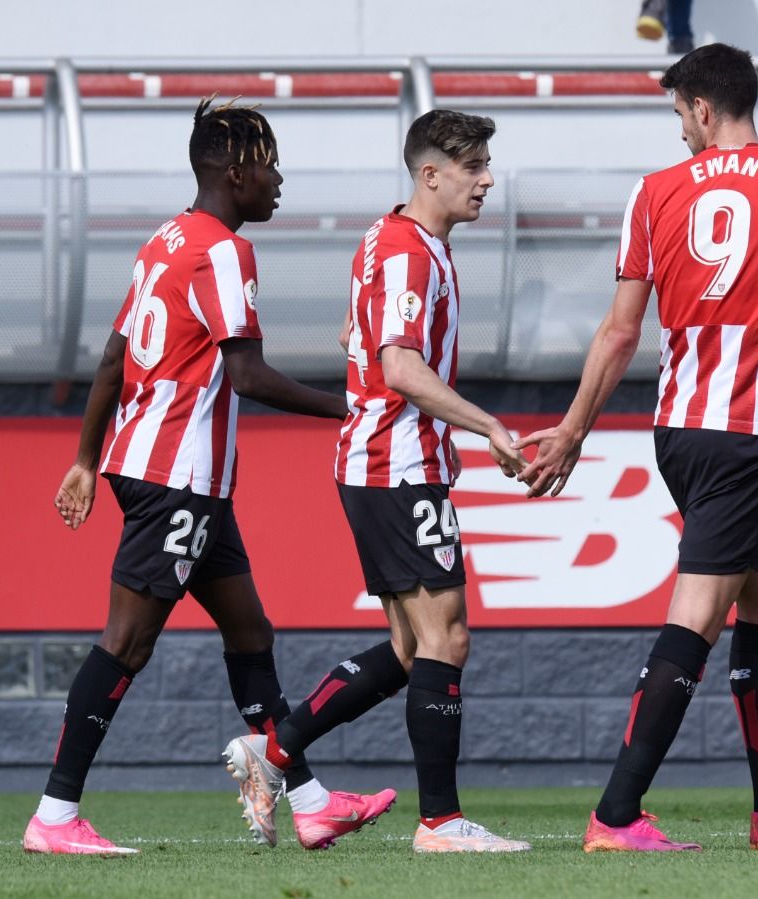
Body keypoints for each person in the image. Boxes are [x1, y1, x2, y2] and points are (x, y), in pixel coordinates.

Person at [515, 42, 758, 853]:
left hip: (683, 426)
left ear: (704, 107)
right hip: (746, 431)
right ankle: (616, 814)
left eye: (679, 112)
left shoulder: (654, 192)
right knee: (700, 614)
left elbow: (619, 330)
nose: (679, 130)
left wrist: (574, 427)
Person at [24, 98, 389, 856]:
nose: (280, 178)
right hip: (177, 477)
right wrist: (351, 408)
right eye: (271, 163)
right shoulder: (223, 250)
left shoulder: (164, 240)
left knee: (250, 631)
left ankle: (313, 801)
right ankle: (55, 815)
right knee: (125, 642)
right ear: (237, 169)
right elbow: (247, 374)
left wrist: (87, 459)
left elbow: (110, 359)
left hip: (164, 471)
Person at [222, 109, 532, 855]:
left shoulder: (390, 239)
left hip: (379, 459)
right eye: (474, 166)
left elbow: (351, 336)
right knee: (446, 636)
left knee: (408, 646)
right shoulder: (409, 252)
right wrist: (488, 424)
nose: (487, 179)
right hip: (398, 463)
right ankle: (440, 821)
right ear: (431, 174)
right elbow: (397, 365)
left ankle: (278, 747)